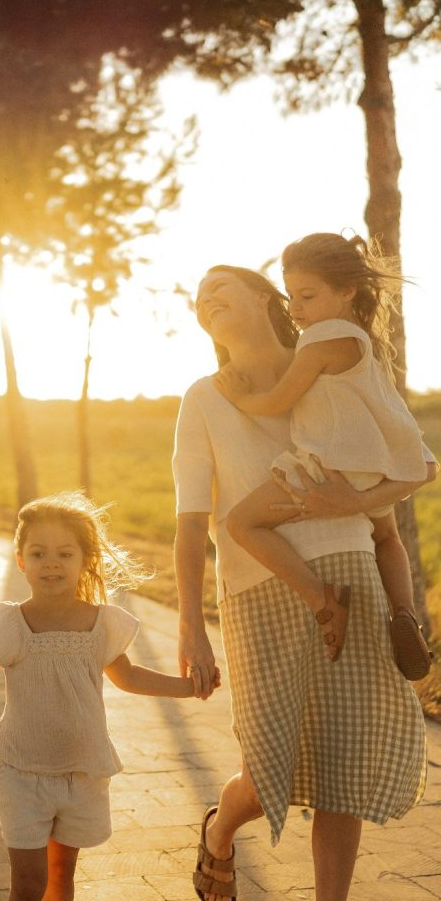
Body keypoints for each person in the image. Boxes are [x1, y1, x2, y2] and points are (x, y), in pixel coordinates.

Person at [174, 261, 434, 901]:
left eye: (220, 288)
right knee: (269, 773)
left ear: (269, 299)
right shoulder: (204, 398)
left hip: (351, 577)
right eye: (200, 299)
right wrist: (188, 626)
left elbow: (389, 499)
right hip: (258, 592)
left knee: (341, 769)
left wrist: (400, 603)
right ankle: (219, 832)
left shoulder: (333, 367)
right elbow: (191, 522)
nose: (206, 301)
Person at [0, 491, 210, 901]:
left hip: (79, 772)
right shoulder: (11, 624)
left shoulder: (101, 624)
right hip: (21, 772)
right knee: (29, 884)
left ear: (85, 560)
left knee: (61, 878)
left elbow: (128, 677)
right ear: (20, 560)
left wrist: (189, 686)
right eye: (37, 554)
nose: (51, 563)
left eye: (64, 553)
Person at [213, 234, 432, 678]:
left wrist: (241, 398)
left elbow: (278, 400)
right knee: (386, 538)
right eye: (292, 296)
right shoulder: (365, 345)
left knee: (240, 523)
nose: (295, 308)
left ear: (347, 291)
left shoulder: (322, 337)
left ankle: (323, 601)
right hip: (370, 471)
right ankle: (405, 613)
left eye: (307, 296)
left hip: (325, 468)